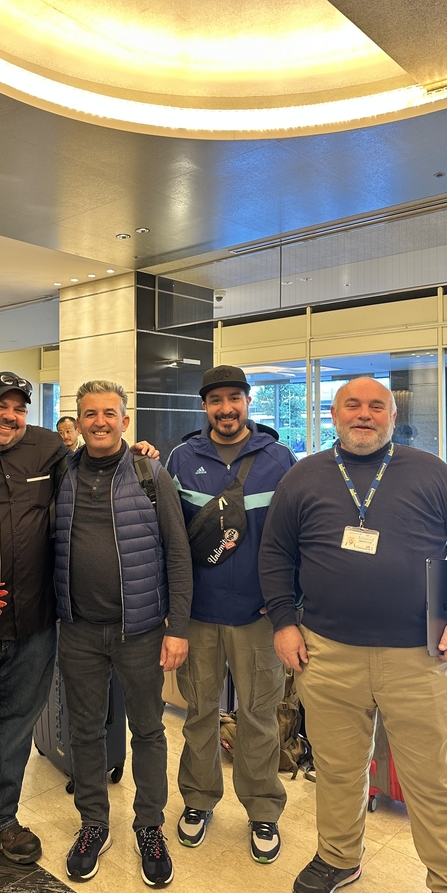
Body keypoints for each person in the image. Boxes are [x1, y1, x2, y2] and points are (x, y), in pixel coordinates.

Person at [0, 372, 158, 892]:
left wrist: (139, 449)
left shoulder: (49, 450)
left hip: (33, 623)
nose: (9, 415)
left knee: (13, 729)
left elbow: (102, 457)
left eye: (18, 408)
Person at [259, 377, 447, 893]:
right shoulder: (304, 476)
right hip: (328, 653)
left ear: (392, 417)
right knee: (338, 769)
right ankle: (339, 857)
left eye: (376, 406)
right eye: (351, 405)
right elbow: (275, 555)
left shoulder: (432, 472)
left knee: (434, 779)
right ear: (333, 415)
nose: (364, 414)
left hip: (418, 656)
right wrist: (284, 623)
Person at [53, 380, 192, 886]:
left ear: (125, 421)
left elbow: (178, 554)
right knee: (84, 732)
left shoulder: (150, 472)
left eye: (109, 413)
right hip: (79, 629)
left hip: (141, 631)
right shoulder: (61, 472)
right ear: (78, 421)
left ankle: (149, 824)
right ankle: (94, 824)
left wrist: (177, 628)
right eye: (90, 414)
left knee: (150, 731)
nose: (100, 422)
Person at [166, 365, 295, 863]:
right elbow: (169, 537)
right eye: (216, 400)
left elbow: (293, 537)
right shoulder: (182, 458)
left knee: (259, 716)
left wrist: (287, 603)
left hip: (258, 615)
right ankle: (197, 801)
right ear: (205, 406)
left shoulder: (278, 458)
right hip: (198, 613)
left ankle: (263, 809)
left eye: (234, 398)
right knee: (198, 713)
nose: (225, 408)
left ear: (248, 401)